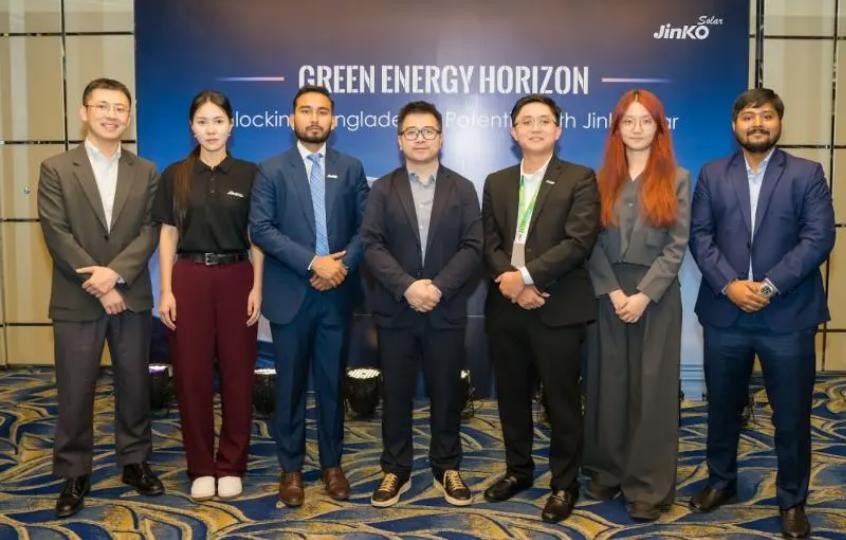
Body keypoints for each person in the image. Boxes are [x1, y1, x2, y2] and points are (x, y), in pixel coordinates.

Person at [688, 88, 834, 539]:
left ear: (779, 123)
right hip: (725, 313)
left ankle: (792, 499)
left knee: (791, 415)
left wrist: (768, 287)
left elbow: (818, 238)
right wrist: (729, 285)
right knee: (722, 407)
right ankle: (721, 481)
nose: (757, 123)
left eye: (766, 115)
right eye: (748, 116)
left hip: (787, 316)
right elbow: (700, 236)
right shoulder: (712, 174)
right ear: (734, 125)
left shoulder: (807, 173)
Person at [37, 78, 164, 518]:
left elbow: (150, 230)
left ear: (129, 116)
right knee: (76, 389)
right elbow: (56, 232)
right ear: (84, 112)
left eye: (120, 108)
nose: (112, 115)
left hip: (130, 295)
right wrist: (101, 283)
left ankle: (135, 461)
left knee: (134, 385)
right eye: (103, 106)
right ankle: (74, 471)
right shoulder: (56, 168)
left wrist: (117, 276)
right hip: (78, 298)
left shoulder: (146, 171)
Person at [481, 94, 600, 523]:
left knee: (561, 401)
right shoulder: (496, 181)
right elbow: (488, 242)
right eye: (526, 121)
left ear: (558, 130)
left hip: (557, 304)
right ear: (513, 131)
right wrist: (513, 286)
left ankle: (565, 484)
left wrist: (527, 277)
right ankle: (518, 470)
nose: (535, 128)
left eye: (544, 121)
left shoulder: (580, 178)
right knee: (511, 397)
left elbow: (578, 242)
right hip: (507, 307)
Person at [249, 84, 369, 507]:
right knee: (291, 387)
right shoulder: (271, 169)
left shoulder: (351, 167)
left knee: (333, 383)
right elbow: (261, 229)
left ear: (333, 121)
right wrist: (313, 263)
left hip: (337, 293)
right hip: (291, 294)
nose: (314, 118)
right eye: (306, 110)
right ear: (292, 119)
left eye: (322, 111)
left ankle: (332, 465)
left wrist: (340, 267)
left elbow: (367, 228)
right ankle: (291, 468)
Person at [360, 101, 483, 507]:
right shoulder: (383, 188)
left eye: (428, 131)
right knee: (396, 394)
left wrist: (438, 288)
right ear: (399, 141)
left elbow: (473, 246)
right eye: (411, 132)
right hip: (397, 309)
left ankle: (447, 465)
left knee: (447, 393)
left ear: (441, 138)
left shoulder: (462, 188)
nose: (420, 138)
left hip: (445, 309)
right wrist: (408, 287)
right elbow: (371, 244)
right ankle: (395, 468)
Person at [582, 89, 690, 521]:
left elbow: (677, 245)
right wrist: (613, 292)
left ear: (659, 129)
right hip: (608, 293)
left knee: (652, 390)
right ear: (617, 129)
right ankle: (608, 470)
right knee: (608, 384)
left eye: (646, 121)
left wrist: (644, 294)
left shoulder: (678, 178)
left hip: (655, 297)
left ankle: (647, 484)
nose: (638, 128)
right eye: (629, 121)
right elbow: (588, 242)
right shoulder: (597, 180)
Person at [153, 90, 263, 501]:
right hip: (189, 278)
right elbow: (168, 233)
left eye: (218, 121)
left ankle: (231, 464)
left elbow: (257, 237)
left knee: (238, 374)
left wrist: (257, 286)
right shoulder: (176, 174)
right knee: (191, 375)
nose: (211, 129)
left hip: (237, 277)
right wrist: (166, 289)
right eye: (203, 122)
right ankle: (200, 465)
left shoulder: (250, 173)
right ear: (192, 127)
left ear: (231, 125)